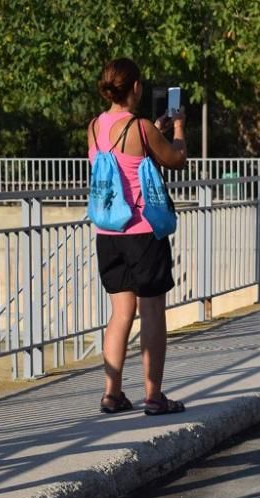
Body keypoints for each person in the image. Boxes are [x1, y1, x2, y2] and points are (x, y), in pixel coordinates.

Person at [87, 58, 187, 416]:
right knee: (152, 312)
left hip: (108, 232)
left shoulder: (95, 126)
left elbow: (122, 153)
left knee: (120, 314)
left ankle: (111, 393)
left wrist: (153, 130)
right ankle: (154, 396)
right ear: (135, 88)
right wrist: (177, 129)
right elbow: (176, 159)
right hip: (142, 232)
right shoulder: (142, 127)